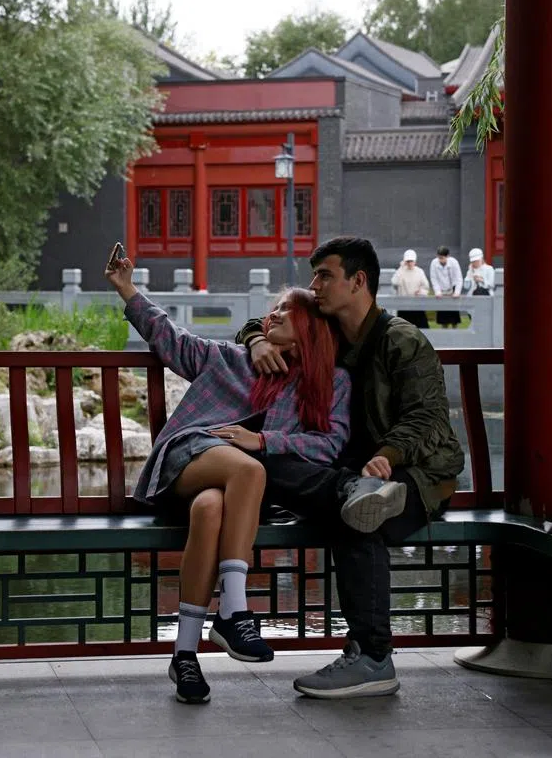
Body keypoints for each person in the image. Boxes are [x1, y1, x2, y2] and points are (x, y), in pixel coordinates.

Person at [105, 250, 395, 705]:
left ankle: (184, 655)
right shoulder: (232, 359)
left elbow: (329, 445)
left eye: (285, 311)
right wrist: (127, 288)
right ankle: (234, 611)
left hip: (234, 491)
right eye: (272, 310)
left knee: (211, 509)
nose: (271, 316)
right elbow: (171, 339)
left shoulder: (331, 383)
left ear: (308, 329)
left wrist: (264, 441)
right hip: (189, 457)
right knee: (246, 468)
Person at [236, 235, 464, 700]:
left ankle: (373, 657)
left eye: (326, 276)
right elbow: (267, 323)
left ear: (359, 281)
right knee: (263, 461)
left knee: (361, 520)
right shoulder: (332, 334)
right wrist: (257, 338)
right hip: (347, 476)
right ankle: (348, 494)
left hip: (415, 476)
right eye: (314, 275)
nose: (315, 285)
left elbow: (429, 419)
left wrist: (387, 455)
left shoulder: (402, 340)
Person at [391, 249, 430, 329]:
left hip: (417, 305)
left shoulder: (419, 271)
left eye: (411, 261)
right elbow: (394, 282)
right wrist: (401, 268)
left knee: (422, 329)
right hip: (403, 306)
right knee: (403, 331)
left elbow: (426, 287)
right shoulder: (401, 272)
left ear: (415, 261)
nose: (410, 263)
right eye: (408, 261)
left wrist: (421, 292)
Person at [429, 246, 463, 328]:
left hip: (453, 290)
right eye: (439, 257)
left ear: (447, 256)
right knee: (443, 318)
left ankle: (455, 332)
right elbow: (434, 279)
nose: (440, 260)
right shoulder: (434, 263)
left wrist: (457, 292)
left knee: (454, 317)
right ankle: (443, 333)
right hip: (441, 291)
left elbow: (459, 278)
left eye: (442, 258)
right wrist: (437, 292)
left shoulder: (454, 262)